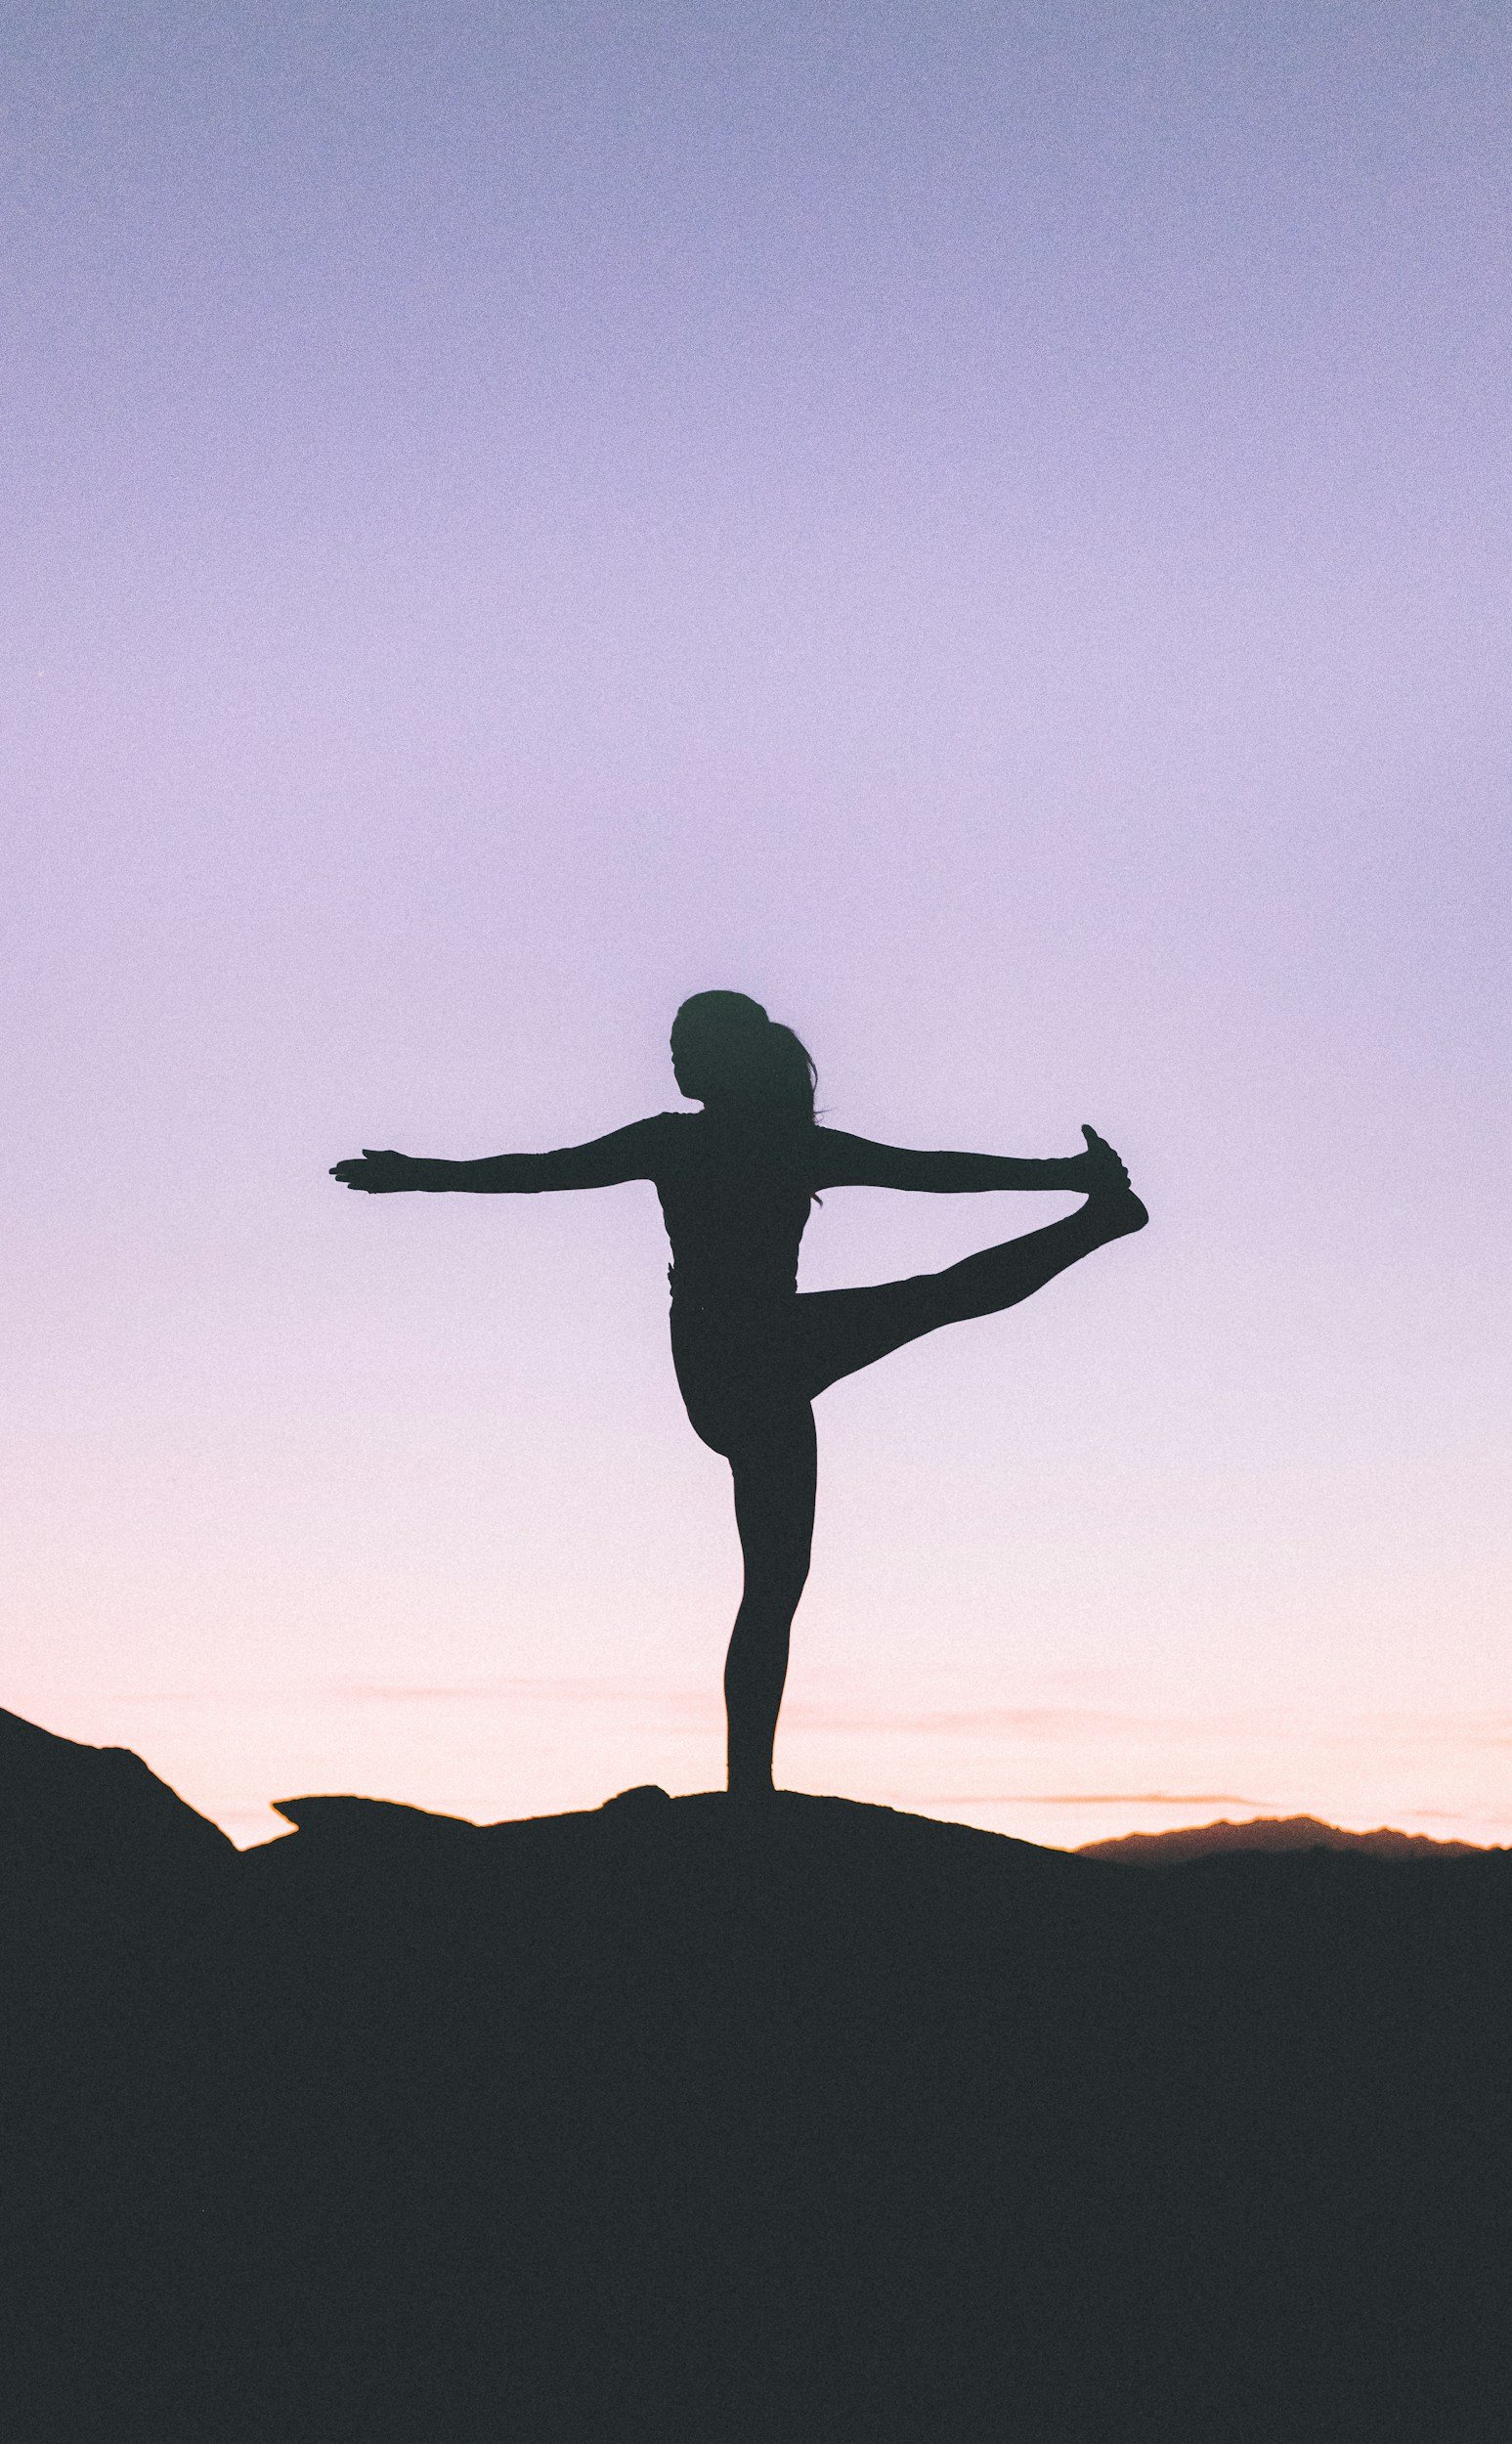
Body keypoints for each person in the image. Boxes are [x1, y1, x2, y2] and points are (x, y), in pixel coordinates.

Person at [331, 989, 1146, 1802]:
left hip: (744, 1365)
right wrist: (418, 1176)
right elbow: (538, 1175)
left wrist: (416, 1177)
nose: (674, 1058)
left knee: (773, 1588)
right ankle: (1097, 1221)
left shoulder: (710, 1144)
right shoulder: (759, 1145)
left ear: (727, 1056)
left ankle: (748, 1789)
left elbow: (932, 1174)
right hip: (751, 1358)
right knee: (931, 1300)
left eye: (686, 1043)